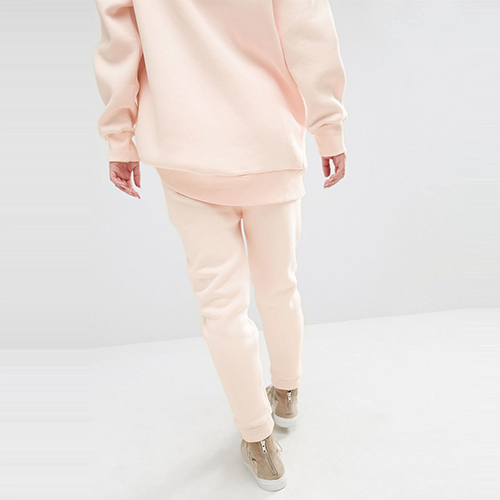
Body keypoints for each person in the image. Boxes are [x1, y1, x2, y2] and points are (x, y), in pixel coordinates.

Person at [93, 0, 348, 491]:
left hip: (185, 149)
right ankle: (286, 394)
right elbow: (307, 26)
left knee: (221, 308)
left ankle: (259, 441)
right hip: (269, 140)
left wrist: (119, 137)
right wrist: (328, 126)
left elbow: (119, 40)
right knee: (279, 284)